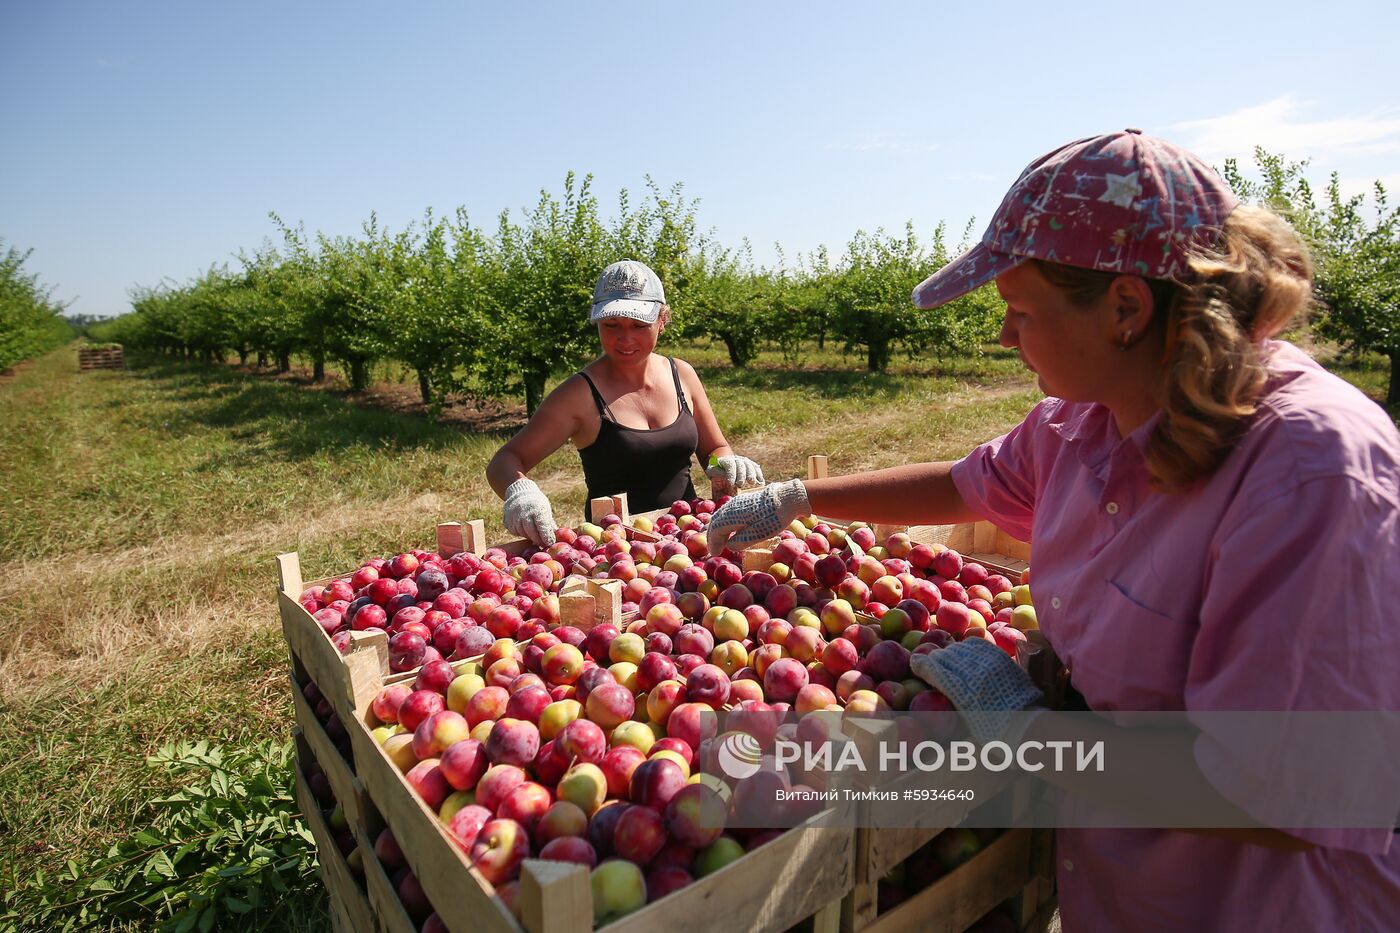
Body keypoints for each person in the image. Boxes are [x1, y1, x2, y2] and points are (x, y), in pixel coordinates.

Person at [705, 130, 1400, 930]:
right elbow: (964, 484)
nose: (1005, 335)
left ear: (1126, 308)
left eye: (1022, 310)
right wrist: (800, 496)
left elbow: (1275, 794)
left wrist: (1027, 731)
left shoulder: (1310, 472)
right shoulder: (1084, 420)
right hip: (1120, 894)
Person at [487, 258, 765, 545]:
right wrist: (521, 491)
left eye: (639, 325)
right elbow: (505, 461)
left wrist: (724, 463)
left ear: (662, 321)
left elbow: (714, 448)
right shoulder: (580, 394)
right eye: (611, 325)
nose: (625, 338)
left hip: (688, 539)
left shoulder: (681, 374)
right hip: (616, 552)